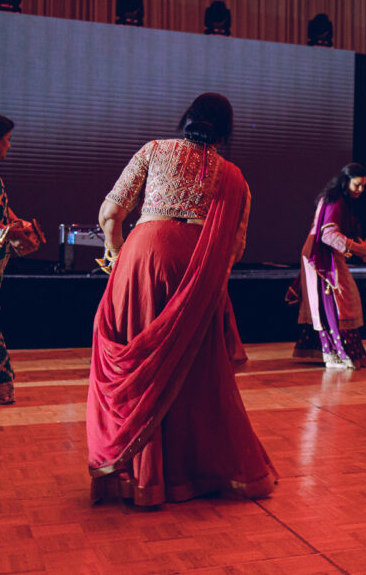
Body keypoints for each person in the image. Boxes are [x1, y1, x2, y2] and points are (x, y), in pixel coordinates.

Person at [87, 93, 276, 506]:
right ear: (225, 131)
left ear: (187, 119)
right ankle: (188, 474)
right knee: (194, 367)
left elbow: (110, 213)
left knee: (140, 364)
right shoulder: (235, 177)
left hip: (143, 255)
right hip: (196, 264)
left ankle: (139, 475)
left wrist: (116, 256)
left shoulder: (154, 150)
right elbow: (234, 248)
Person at [0, 112, 43, 405]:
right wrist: (7, 232)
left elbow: (1, 207)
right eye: (7, 139)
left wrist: (19, 225)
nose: (10, 146)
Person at [291, 163, 366, 369]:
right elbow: (328, 235)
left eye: (363, 186)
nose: (360, 190)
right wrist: (359, 249)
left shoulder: (341, 201)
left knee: (337, 301)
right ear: (345, 181)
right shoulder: (336, 201)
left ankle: (325, 351)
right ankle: (337, 354)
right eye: (357, 185)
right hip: (321, 257)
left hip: (324, 255)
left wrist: (361, 246)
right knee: (338, 302)